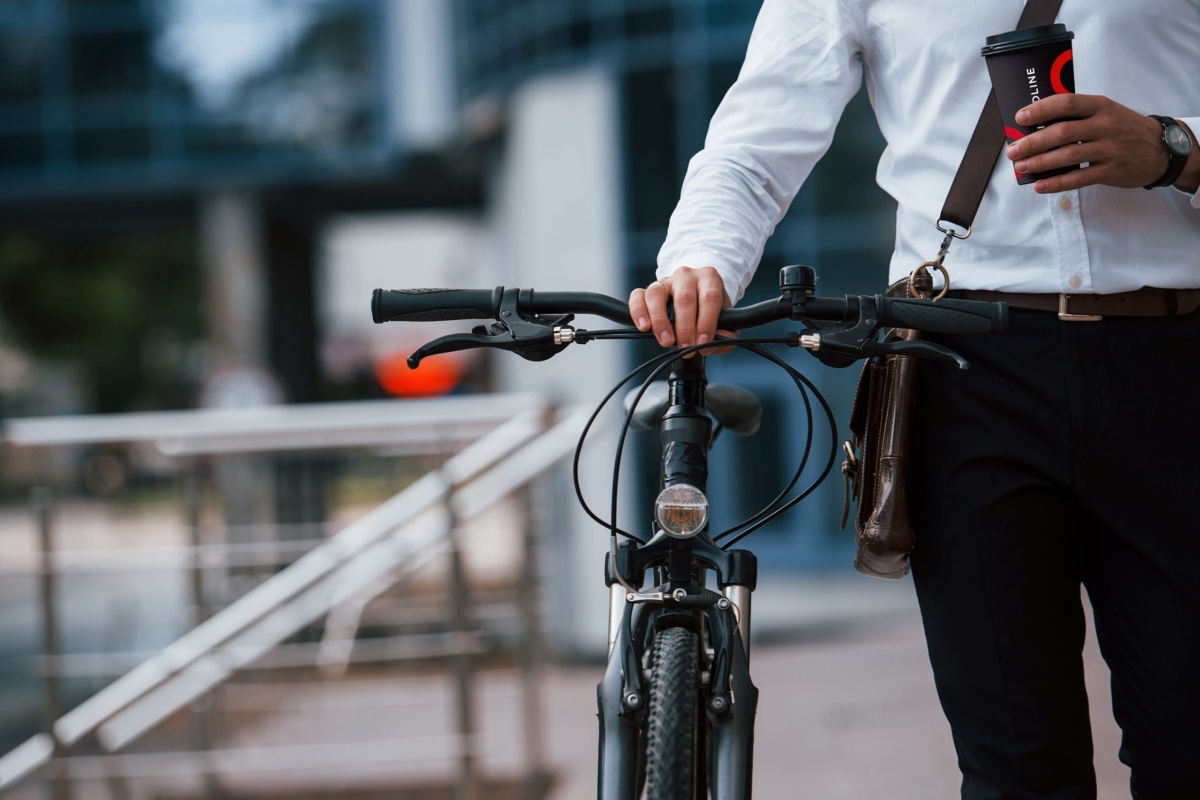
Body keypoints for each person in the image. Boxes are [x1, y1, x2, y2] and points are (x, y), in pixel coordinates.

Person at [628, 2, 1200, 799]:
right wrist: (701, 262)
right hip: (965, 368)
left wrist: (1177, 148)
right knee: (1015, 769)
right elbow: (756, 143)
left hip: (1175, 368)